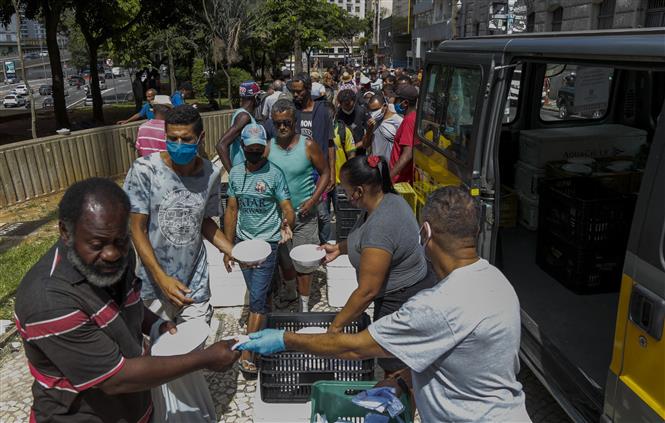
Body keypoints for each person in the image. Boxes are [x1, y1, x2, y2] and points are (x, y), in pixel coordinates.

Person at [238, 186, 531, 423]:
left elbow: (353, 347)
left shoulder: (436, 306)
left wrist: (284, 339)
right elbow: (465, 361)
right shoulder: (497, 280)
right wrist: (403, 381)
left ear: (425, 233)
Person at [14, 178, 240, 422]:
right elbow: (115, 379)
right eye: (97, 244)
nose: (111, 254)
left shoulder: (119, 254)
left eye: (120, 240)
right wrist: (205, 359)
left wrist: (155, 324)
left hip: (136, 408)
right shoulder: (48, 301)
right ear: (66, 232)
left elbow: (125, 304)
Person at [326, 155, 436, 375]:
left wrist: (335, 328)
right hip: (397, 292)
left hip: (401, 299)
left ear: (358, 191)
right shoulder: (386, 201)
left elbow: (367, 290)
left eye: (345, 189)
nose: (344, 194)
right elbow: (363, 240)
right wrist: (339, 248)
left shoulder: (382, 224)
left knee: (396, 368)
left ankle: (401, 404)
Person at [124, 104, 234, 324]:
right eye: (172, 139)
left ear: (200, 137)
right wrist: (161, 278)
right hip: (153, 284)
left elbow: (203, 221)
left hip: (195, 280)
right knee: (159, 350)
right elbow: (137, 228)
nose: (178, 145)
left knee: (195, 347)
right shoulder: (144, 170)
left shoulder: (211, 174)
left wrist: (232, 249)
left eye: (186, 139)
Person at [224, 123, 295, 374]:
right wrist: (228, 246)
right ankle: (268, 331)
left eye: (259, 148)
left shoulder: (275, 174)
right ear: (242, 148)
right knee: (260, 293)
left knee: (255, 300)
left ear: (264, 148)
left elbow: (287, 206)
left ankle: (247, 352)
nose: (254, 152)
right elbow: (232, 209)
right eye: (250, 148)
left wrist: (288, 222)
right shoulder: (234, 174)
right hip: (244, 243)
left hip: (268, 244)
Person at [268, 99, 330, 312]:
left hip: (304, 216)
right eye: (277, 124)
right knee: (285, 259)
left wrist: (313, 199)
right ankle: (290, 290)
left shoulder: (308, 145)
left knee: (304, 262)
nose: (282, 127)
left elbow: (326, 173)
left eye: (286, 122)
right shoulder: (268, 148)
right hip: (279, 218)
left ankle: (304, 307)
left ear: (295, 121)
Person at [288, 72, 335, 243]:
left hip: (319, 173)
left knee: (323, 215)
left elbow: (330, 144)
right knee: (299, 211)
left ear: (308, 89)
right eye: (293, 91)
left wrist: (331, 172)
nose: (295, 95)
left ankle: (323, 246)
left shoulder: (322, 112)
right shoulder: (291, 112)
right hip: (297, 173)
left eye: (299, 91)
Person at [216, 81, 261, 171]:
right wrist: (232, 174)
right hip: (243, 171)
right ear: (255, 97)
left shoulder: (241, 113)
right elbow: (221, 145)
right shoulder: (244, 117)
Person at [389, 84, 419, 184]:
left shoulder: (409, 121)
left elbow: (407, 154)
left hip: (399, 180)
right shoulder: (412, 118)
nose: (393, 103)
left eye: (396, 100)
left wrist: (388, 178)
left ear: (405, 103)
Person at [362, 94, 403, 162]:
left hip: (391, 164)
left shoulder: (398, 121)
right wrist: (369, 129)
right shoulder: (372, 121)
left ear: (385, 106)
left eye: (376, 110)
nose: (373, 113)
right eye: (371, 110)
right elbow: (365, 145)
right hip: (376, 164)